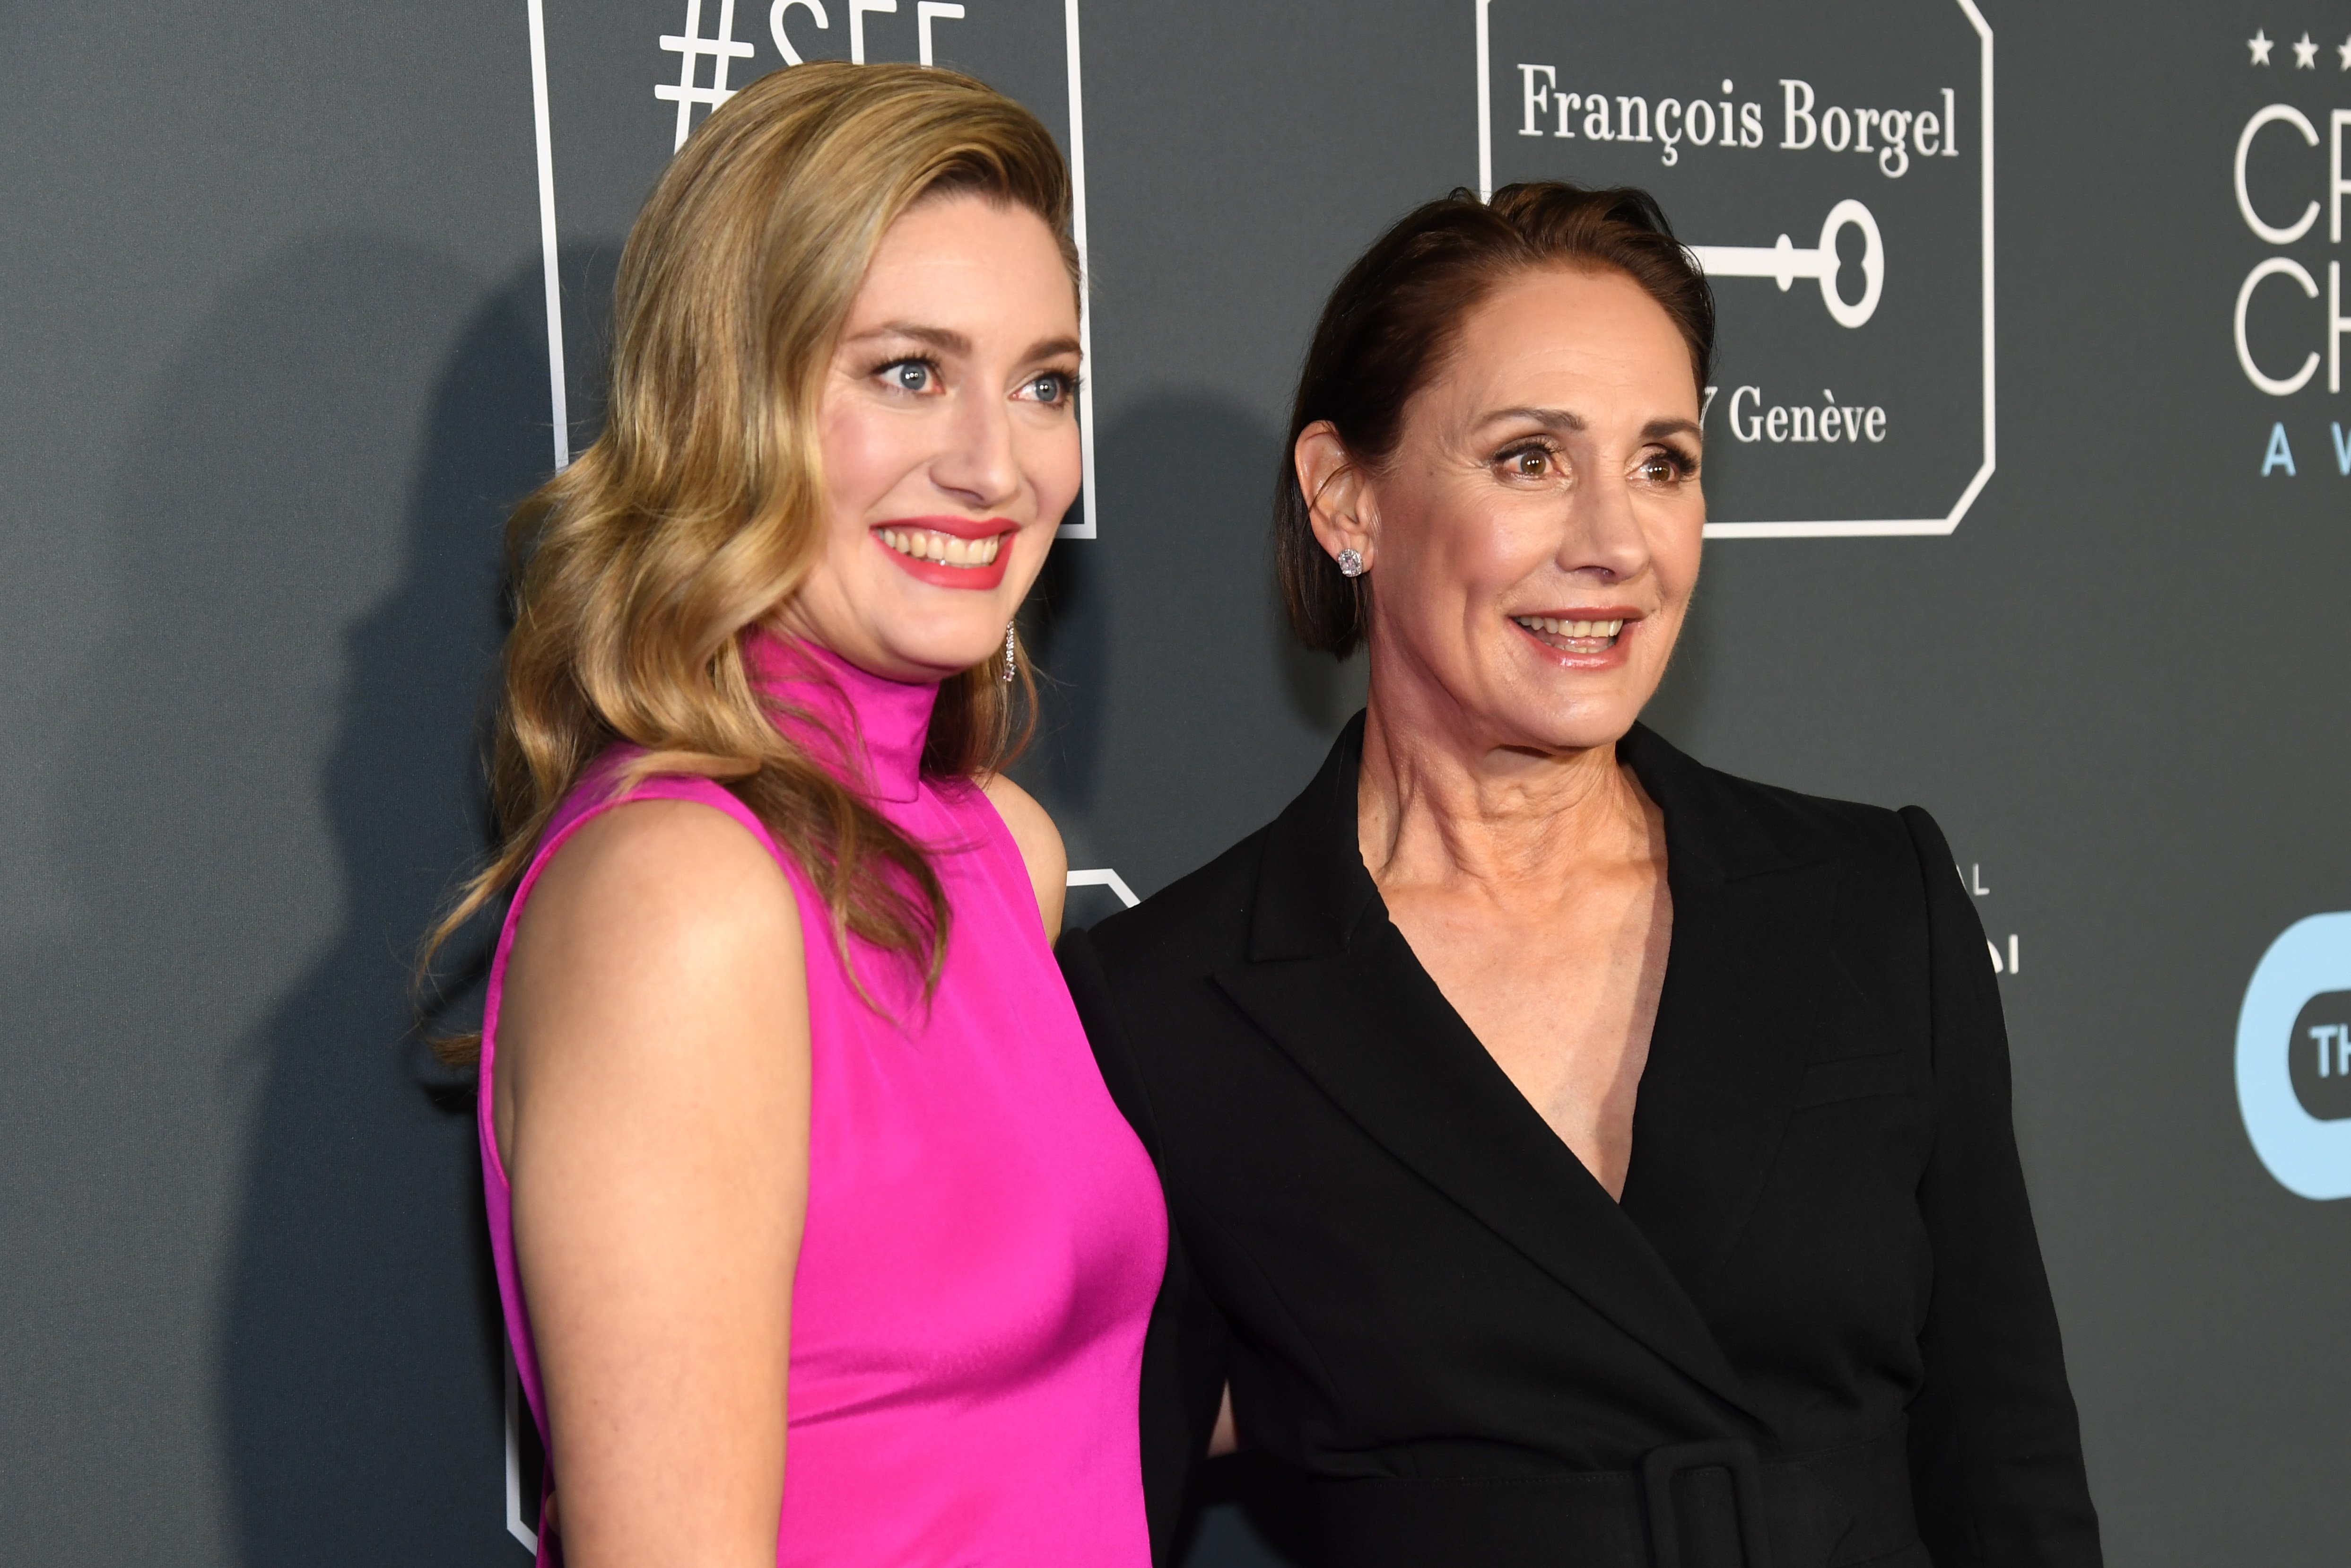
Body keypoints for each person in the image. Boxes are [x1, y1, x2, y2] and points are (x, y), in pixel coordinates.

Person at [1059, 183, 2102, 1568]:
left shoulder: (1870, 902)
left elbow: (2008, 1474)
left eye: (1662, 462)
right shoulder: (1171, 1010)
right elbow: (1085, 1513)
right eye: (1530, 460)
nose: (1616, 541)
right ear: (1345, 499)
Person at [422, 63, 1162, 1568]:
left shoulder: (996, 845)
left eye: (1044, 381)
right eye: (906, 371)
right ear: (725, 400)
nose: (995, 463)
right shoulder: (680, 897)